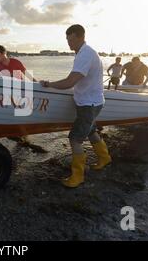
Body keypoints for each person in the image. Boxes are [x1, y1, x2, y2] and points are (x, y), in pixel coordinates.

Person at [40, 24, 111, 188]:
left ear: (80, 37)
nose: (68, 43)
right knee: (91, 131)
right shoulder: (85, 52)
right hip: (91, 101)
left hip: (89, 104)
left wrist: (49, 84)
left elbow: (70, 82)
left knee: (75, 138)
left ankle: (78, 176)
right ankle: (104, 158)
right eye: (67, 39)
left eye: (71, 39)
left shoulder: (85, 54)